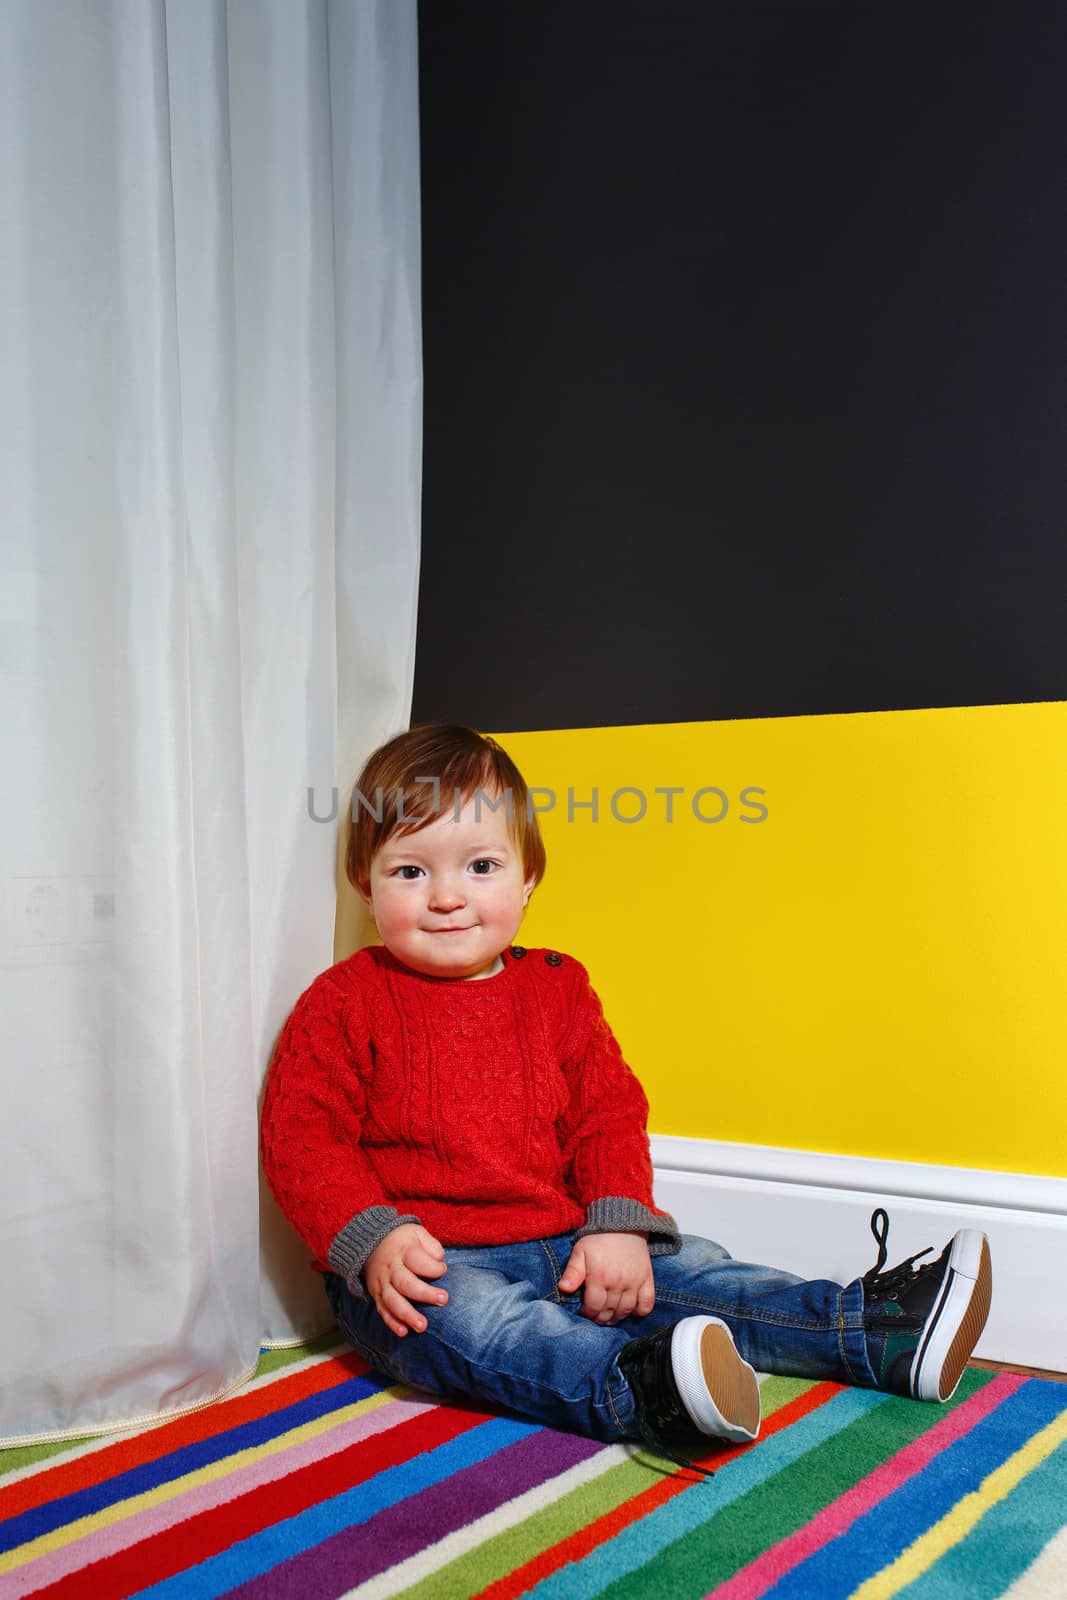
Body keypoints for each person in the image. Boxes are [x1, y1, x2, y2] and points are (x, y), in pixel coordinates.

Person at [260, 724, 993, 1468]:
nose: (447, 897)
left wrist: (616, 1227)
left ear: (527, 877)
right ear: (364, 881)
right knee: (472, 1327)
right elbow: (302, 1136)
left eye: (480, 866)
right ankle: (639, 1388)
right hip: (429, 1266)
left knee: (698, 1275)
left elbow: (606, 1115)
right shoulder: (343, 1001)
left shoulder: (556, 988)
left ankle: (868, 1332)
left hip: (567, 1241)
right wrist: (370, 1236)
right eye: (410, 872)